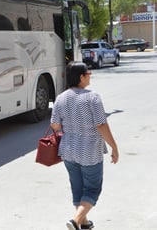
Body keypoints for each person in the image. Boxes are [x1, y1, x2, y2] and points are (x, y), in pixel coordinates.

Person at [50, 62, 119, 230]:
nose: (90, 75)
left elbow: (55, 126)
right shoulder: (92, 97)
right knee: (92, 189)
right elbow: (101, 125)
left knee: (77, 187)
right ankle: (75, 220)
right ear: (81, 77)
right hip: (89, 151)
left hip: (68, 150)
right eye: (88, 73)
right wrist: (114, 147)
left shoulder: (61, 98)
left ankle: (85, 223)